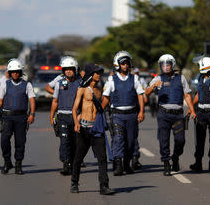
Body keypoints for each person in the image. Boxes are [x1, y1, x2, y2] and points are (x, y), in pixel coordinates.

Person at [145, 54, 196, 175]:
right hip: (163, 114)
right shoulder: (158, 78)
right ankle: (166, 163)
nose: (166, 67)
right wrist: (153, 87)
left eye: (168, 64)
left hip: (178, 114)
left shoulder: (181, 78)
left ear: (172, 65)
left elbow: (187, 95)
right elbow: (146, 93)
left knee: (180, 140)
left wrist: (192, 110)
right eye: (163, 65)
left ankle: (175, 157)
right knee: (164, 140)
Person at [70, 63, 115, 195]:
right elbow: (74, 109)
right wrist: (76, 123)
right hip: (84, 128)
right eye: (97, 72)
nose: (99, 74)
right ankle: (74, 182)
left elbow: (102, 107)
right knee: (78, 158)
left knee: (102, 158)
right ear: (91, 74)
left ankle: (104, 186)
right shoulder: (82, 89)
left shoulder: (100, 90)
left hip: (97, 129)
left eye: (100, 72)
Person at [101, 51, 145, 176]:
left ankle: (127, 164)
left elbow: (140, 95)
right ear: (118, 65)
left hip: (132, 115)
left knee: (131, 141)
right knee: (118, 139)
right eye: (123, 63)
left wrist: (141, 111)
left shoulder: (135, 78)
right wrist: (98, 112)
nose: (125, 65)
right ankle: (118, 166)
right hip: (117, 115)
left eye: (127, 63)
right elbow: (105, 98)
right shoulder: (111, 80)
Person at [0, 59, 36, 174]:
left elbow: (32, 100)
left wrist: (32, 114)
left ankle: (18, 165)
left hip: (21, 117)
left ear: (21, 72)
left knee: (20, 142)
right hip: (7, 117)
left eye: (17, 71)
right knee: (4, 141)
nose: (15, 73)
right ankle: (7, 162)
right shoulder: (5, 84)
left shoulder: (27, 85)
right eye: (13, 71)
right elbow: (0, 101)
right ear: (9, 73)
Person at [190, 57, 210, 172]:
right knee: (199, 139)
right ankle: (198, 163)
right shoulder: (200, 78)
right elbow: (198, 95)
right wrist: (191, 108)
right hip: (200, 112)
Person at [49, 56, 81, 175]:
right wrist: (52, 116)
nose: (68, 71)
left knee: (75, 142)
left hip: (76, 117)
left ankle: (73, 163)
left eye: (70, 69)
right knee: (64, 141)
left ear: (75, 69)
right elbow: (55, 101)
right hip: (62, 116)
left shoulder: (80, 83)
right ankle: (66, 164)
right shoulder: (59, 84)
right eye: (66, 69)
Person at [131, 68, 146, 170]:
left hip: (133, 112)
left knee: (133, 136)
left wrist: (141, 111)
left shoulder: (138, 81)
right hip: (120, 113)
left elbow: (143, 97)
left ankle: (135, 158)